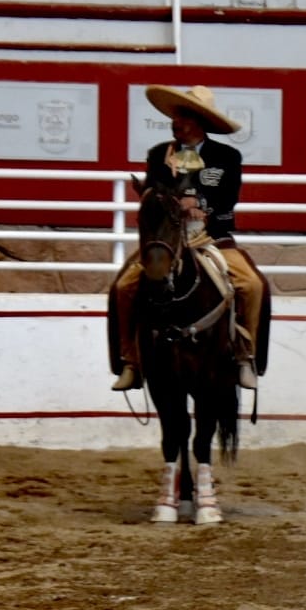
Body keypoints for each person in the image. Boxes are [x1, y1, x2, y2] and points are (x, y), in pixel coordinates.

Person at [110, 84, 266, 391]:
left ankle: (245, 357)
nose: (175, 122)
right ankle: (131, 360)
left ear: (199, 121)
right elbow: (153, 197)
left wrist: (202, 205)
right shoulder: (160, 154)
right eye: (175, 116)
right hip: (168, 241)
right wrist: (168, 190)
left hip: (210, 240)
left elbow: (229, 198)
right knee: (123, 286)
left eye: (182, 116)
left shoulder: (227, 156)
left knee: (253, 285)